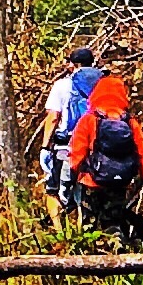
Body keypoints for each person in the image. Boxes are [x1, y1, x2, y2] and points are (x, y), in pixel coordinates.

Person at [65, 72, 143, 248]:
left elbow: (77, 152)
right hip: (119, 183)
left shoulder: (90, 119)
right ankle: (117, 248)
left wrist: (72, 178)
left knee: (89, 223)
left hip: (91, 182)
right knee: (113, 221)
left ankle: (91, 263)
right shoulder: (129, 122)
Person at [37, 51, 101, 196]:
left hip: (66, 146)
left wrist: (45, 147)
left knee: (54, 191)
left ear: (73, 64)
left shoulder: (62, 85)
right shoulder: (102, 85)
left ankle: (62, 217)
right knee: (86, 190)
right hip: (94, 146)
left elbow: (53, 117)